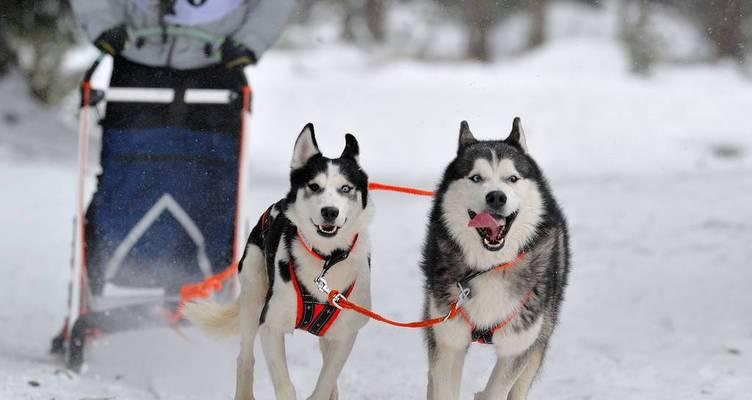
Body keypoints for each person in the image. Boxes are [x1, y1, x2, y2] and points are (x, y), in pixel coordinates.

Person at [71, 0, 298, 70]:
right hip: (135, 56)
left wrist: (249, 42)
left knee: (208, 166)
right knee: (129, 162)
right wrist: (103, 25)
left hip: (217, 61)